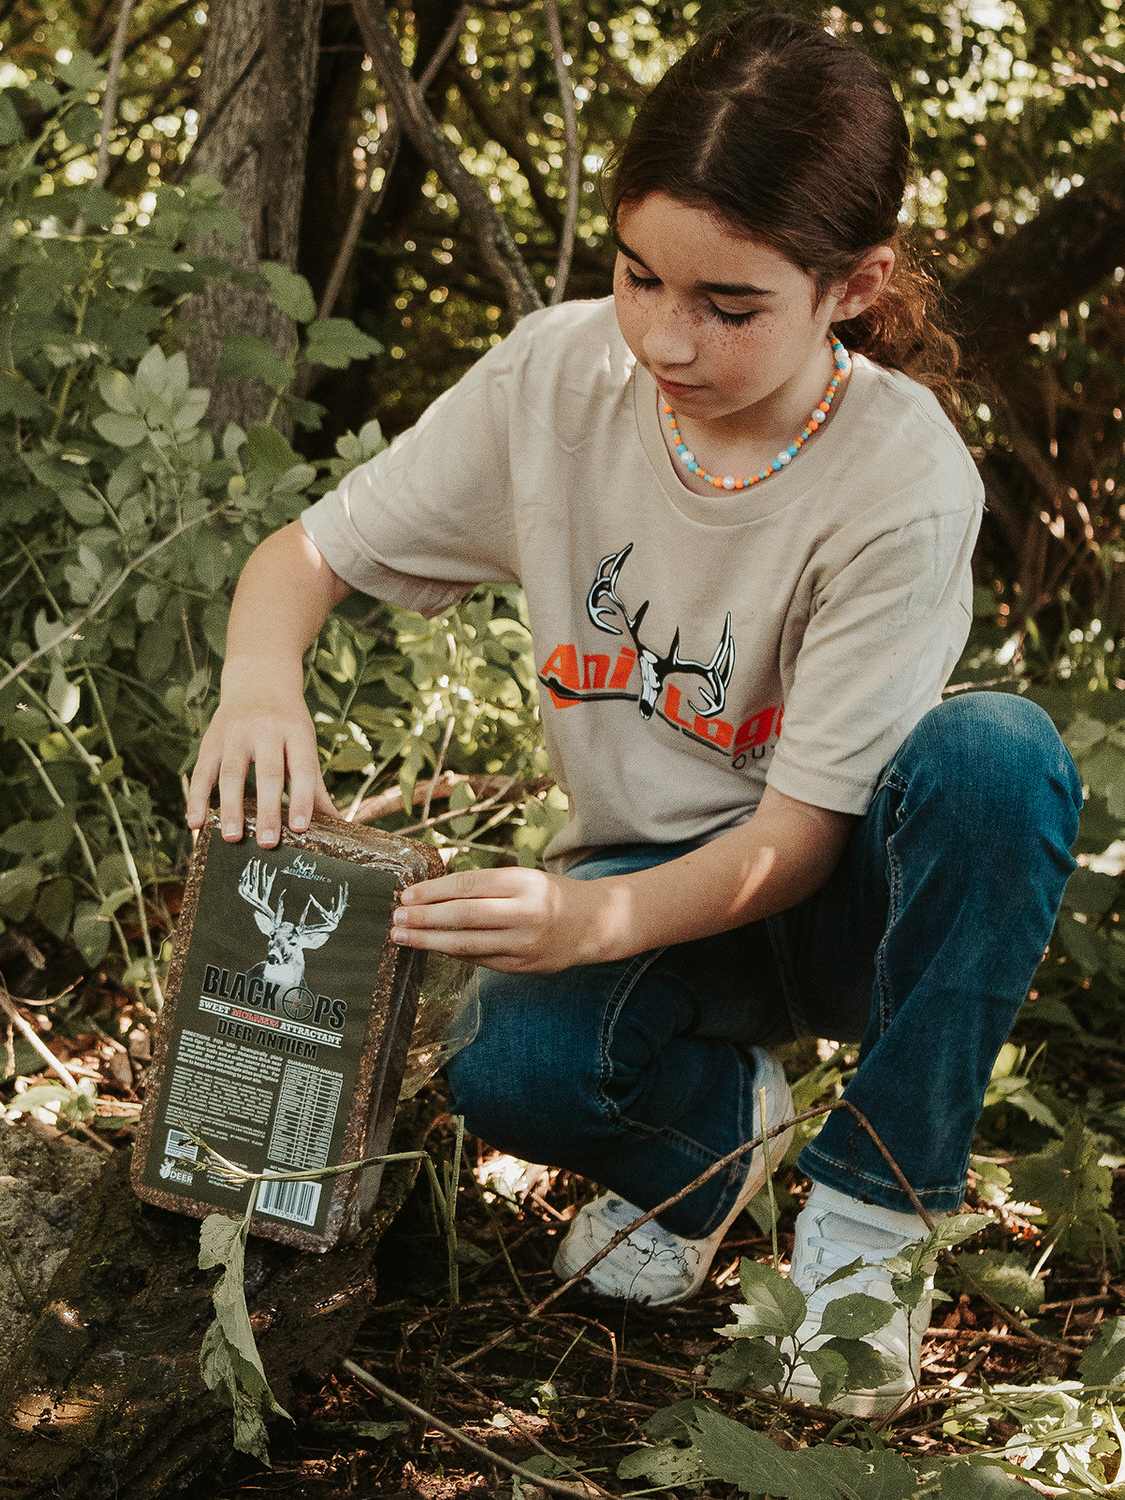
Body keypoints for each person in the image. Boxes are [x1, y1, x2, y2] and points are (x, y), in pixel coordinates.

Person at [185, 9, 1080, 1418]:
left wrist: (586, 924)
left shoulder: (902, 478)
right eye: (636, 276)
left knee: (999, 758)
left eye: (729, 308)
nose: (668, 336)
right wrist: (258, 680)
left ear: (853, 287)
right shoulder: (559, 380)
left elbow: (797, 840)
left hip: (851, 891)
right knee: (501, 1065)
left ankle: (868, 1220)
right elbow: (302, 561)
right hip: (657, 889)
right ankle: (716, 1137)